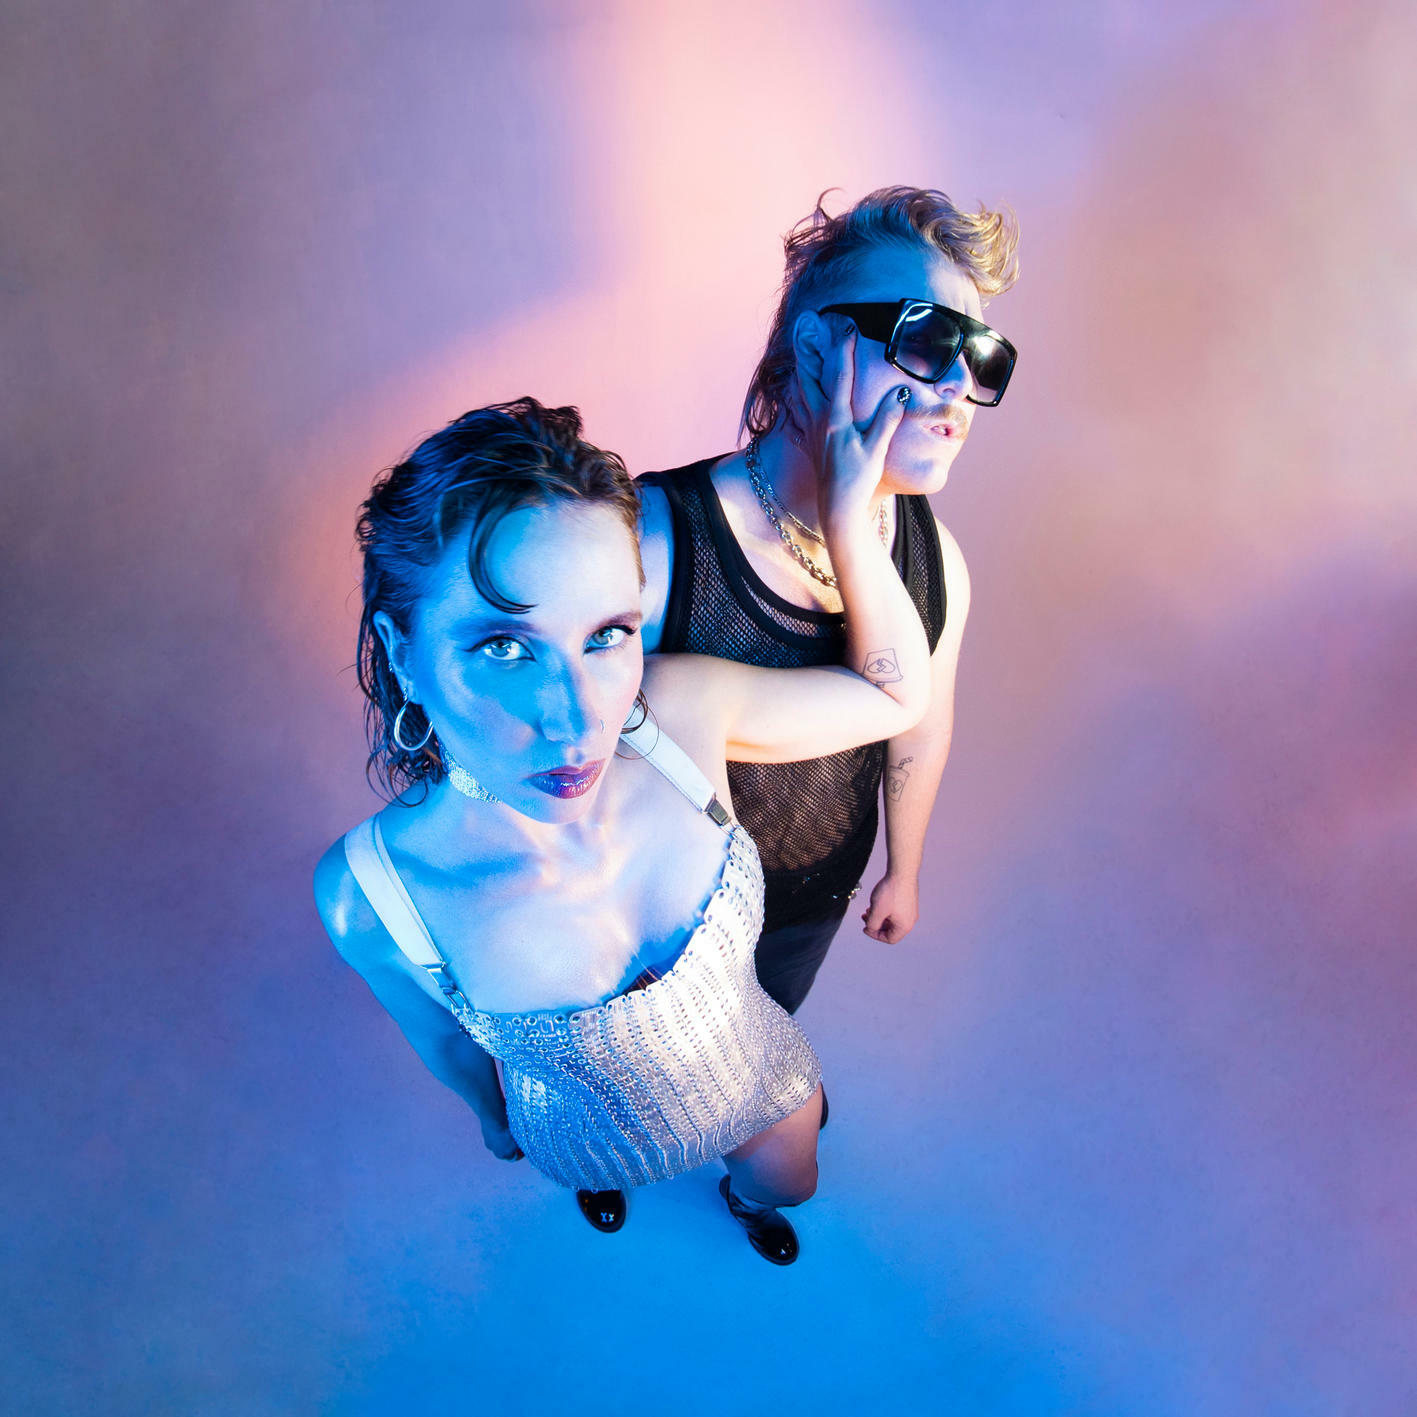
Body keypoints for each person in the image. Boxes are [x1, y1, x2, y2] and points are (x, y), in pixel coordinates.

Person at [313, 366, 929, 1263]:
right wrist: (496, 1122)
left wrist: (849, 515)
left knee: (789, 1183)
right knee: (590, 1158)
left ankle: (745, 1199)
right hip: (577, 1132)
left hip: (757, 1080)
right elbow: (445, 1041)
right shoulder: (372, 893)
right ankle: (602, 1176)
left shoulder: (681, 714)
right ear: (402, 654)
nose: (577, 721)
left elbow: (893, 697)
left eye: (607, 634)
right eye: (503, 646)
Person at [638, 186, 1020, 1015]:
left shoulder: (937, 562)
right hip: (655, 945)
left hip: (806, 917)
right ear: (816, 346)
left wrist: (902, 869)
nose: (959, 384)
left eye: (981, 357)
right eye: (926, 338)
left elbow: (921, 723)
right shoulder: (657, 541)